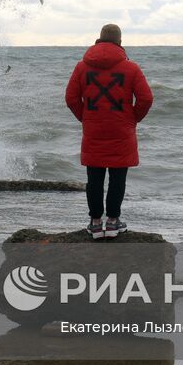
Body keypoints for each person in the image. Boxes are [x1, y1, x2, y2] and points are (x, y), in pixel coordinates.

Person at [65, 23, 153, 239]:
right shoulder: (131, 68)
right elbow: (146, 99)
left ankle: (95, 223)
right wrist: (132, 119)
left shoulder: (81, 67)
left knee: (94, 178)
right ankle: (113, 221)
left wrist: (85, 117)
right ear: (120, 43)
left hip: (94, 129)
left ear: (98, 40)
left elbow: (71, 98)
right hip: (122, 129)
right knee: (117, 178)